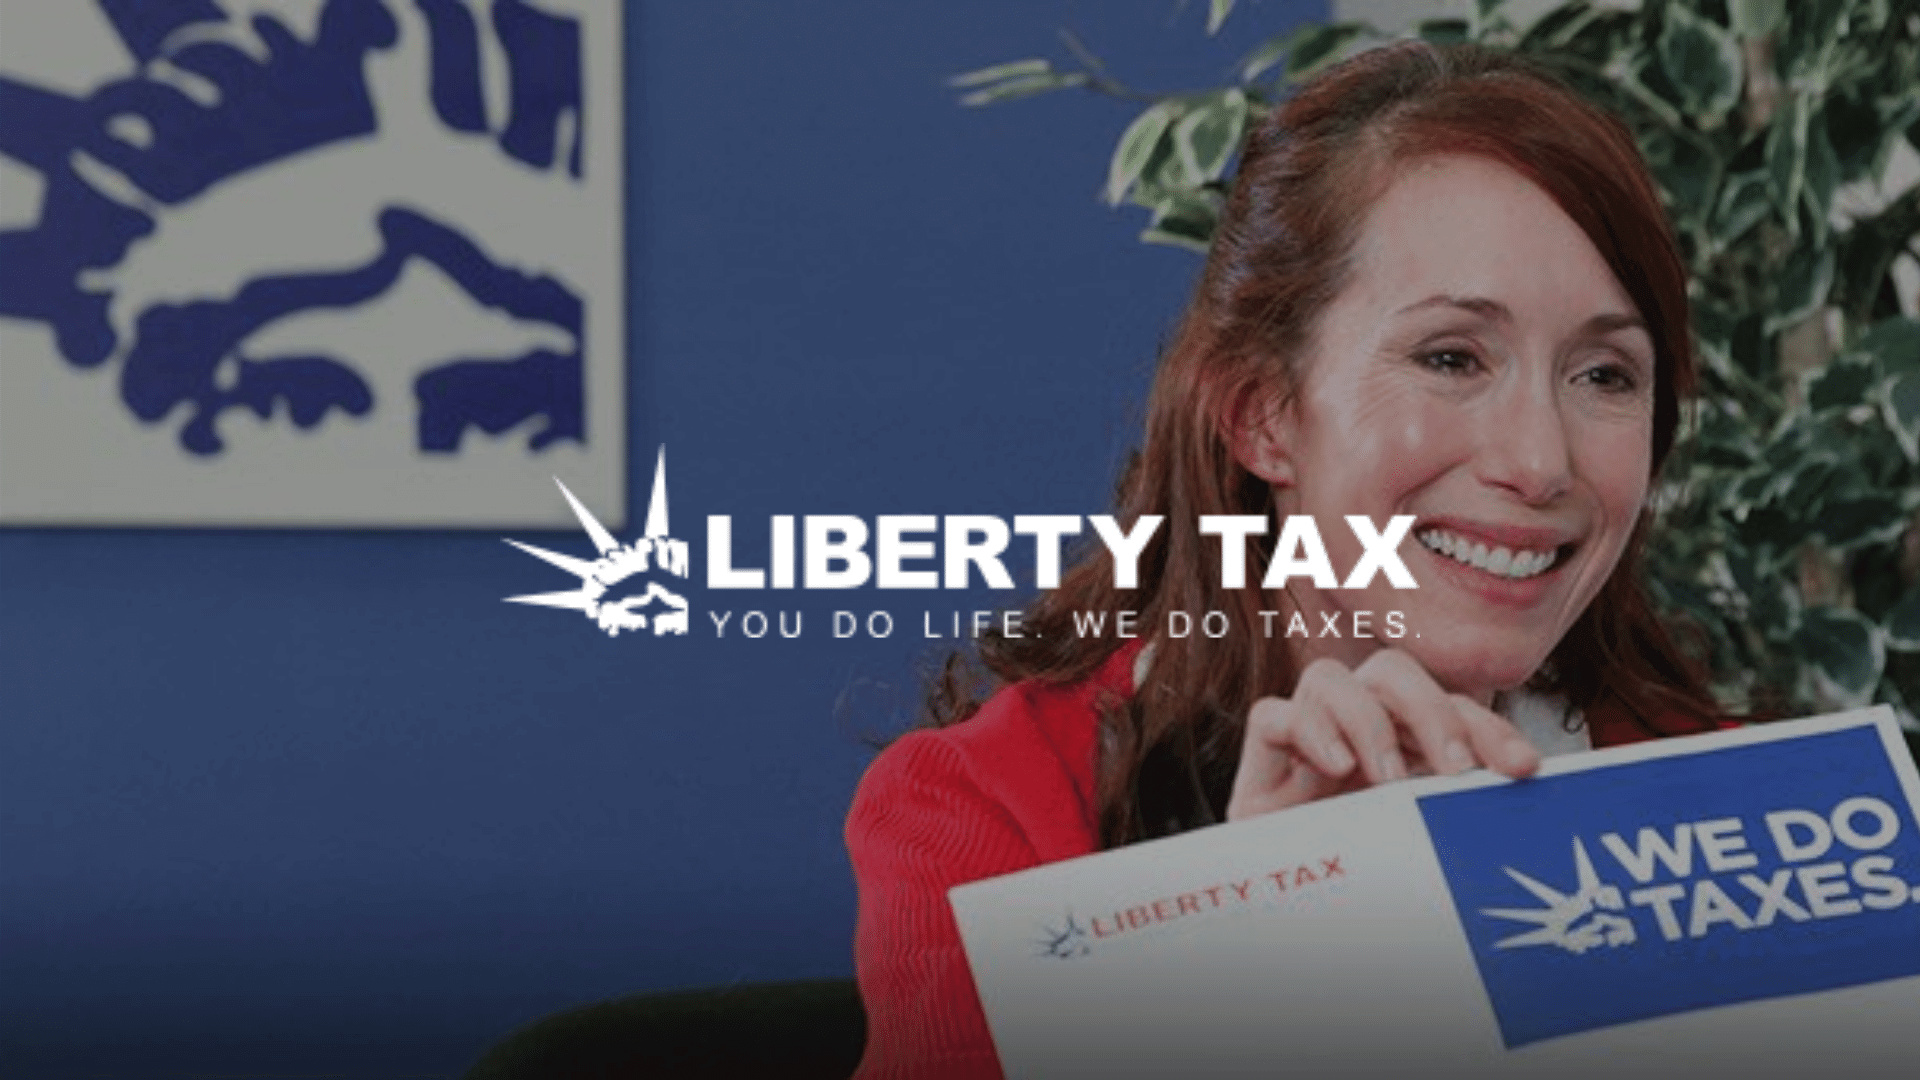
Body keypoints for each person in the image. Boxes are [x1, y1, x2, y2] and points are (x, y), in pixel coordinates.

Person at [846, 40, 1727, 1080]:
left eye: (1606, 374)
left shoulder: (1728, 803)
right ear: (1263, 417)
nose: (1541, 462)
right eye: (1450, 358)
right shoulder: (989, 817)